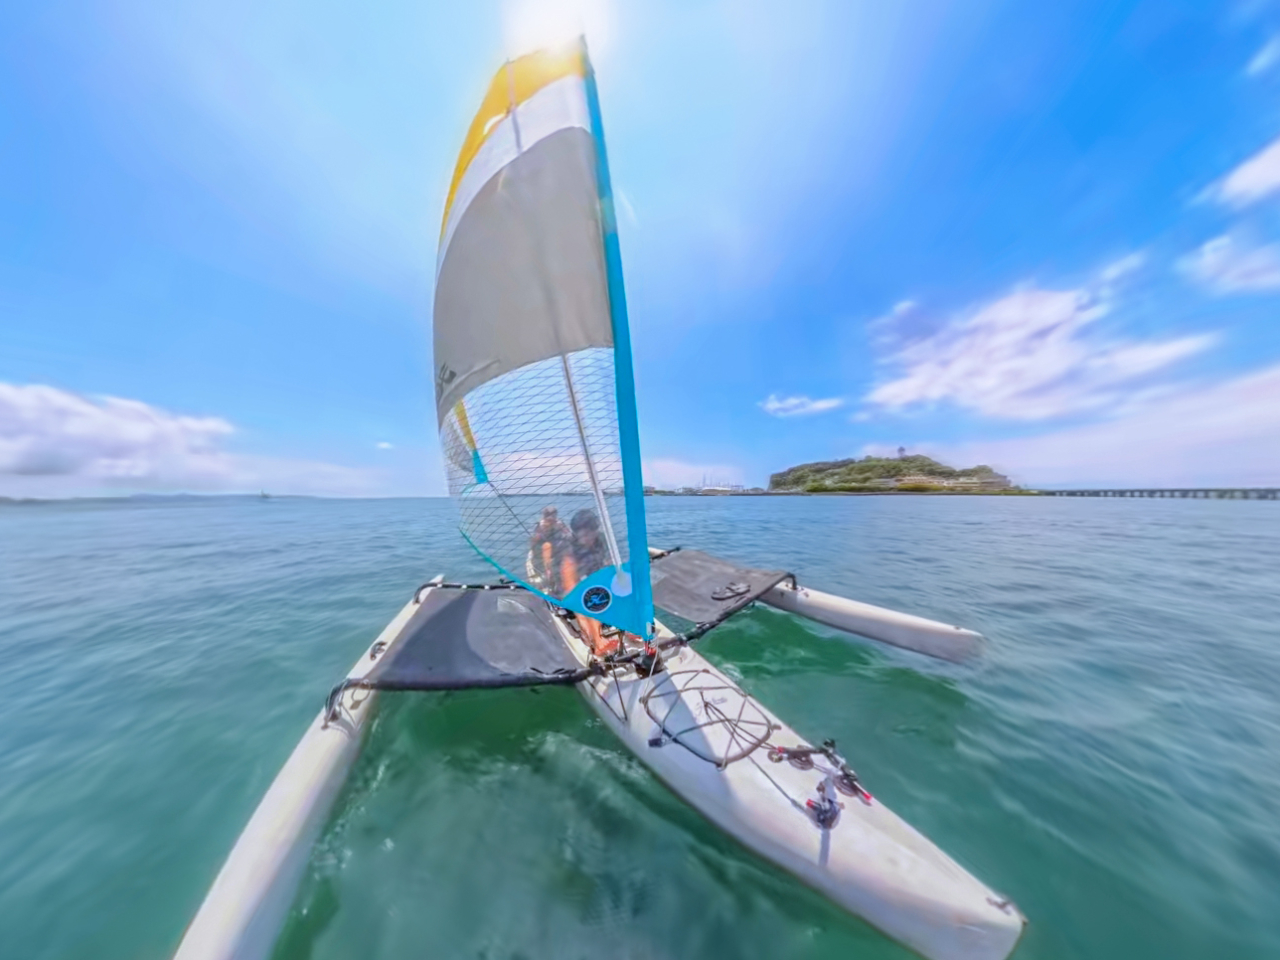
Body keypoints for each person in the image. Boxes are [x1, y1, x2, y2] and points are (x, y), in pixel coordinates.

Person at [561, 508, 616, 657]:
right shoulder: (569, 550)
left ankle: (631, 628)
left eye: (591, 533)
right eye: (584, 534)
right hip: (574, 586)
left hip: (594, 579)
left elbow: (608, 564)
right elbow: (569, 585)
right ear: (576, 534)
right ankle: (597, 641)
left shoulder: (601, 541)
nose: (588, 538)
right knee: (590, 601)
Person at [529, 506, 570, 592]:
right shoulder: (538, 526)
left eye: (553, 515)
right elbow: (533, 542)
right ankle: (547, 580)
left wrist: (561, 528)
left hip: (558, 553)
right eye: (547, 515)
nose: (550, 519)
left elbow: (569, 536)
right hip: (542, 554)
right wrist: (541, 532)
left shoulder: (560, 524)